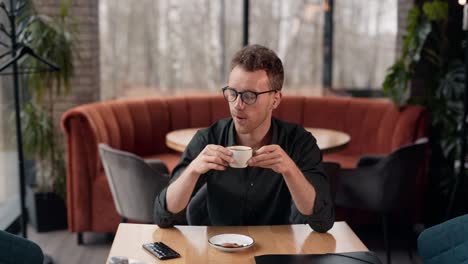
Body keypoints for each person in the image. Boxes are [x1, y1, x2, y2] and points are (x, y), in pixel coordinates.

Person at [154, 44, 334, 232]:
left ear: (275, 99)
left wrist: (289, 169)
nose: (238, 105)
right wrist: (193, 171)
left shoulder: (299, 142)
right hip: (220, 252)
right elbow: (163, 216)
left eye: (249, 96)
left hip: (278, 251)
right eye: (232, 93)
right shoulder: (208, 139)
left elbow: (322, 221)